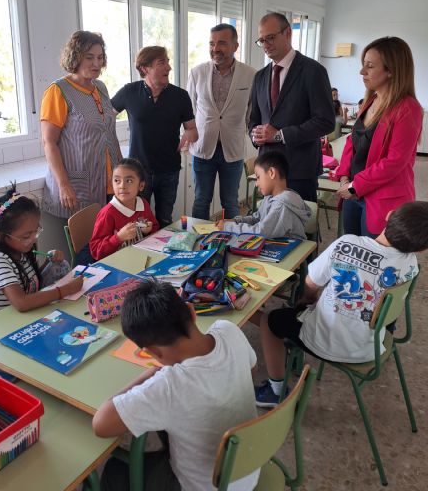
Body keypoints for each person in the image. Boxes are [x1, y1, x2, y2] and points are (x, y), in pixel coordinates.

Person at [254, 200, 428, 407]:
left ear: (389, 215)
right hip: (369, 346)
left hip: (324, 341)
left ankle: (275, 391)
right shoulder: (410, 265)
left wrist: (307, 299)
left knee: (270, 320)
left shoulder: (347, 243)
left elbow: (311, 282)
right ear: (421, 250)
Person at [92, 279, 259, 491]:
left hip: (203, 486)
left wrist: (152, 372)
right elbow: (251, 368)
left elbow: (101, 424)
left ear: (153, 352)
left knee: (115, 470)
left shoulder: (169, 385)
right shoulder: (228, 330)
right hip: (246, 470)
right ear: (191, 311)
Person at [335, 37, 423, 237]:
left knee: (375, 259)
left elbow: (395, 161)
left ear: (391, 70)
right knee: (352, 252)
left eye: (370, 66)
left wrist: (355, 185)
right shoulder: (371, 100)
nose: (362, 72)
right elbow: (353, 140)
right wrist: (344, 176)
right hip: (353, 193)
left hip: (381, 198)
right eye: (363, 65)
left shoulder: (408, 108)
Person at [40, 30, 122, 240]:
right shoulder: (58, 91)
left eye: (100, 57)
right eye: (89, 57)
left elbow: (107, 133)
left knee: (107, 245)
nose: (96, 63)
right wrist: (64, 185)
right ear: (75, 57)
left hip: (108, 181)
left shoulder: (101, 88)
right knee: (85, 250)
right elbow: (49, 143)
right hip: (78, 186)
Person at [249, 13, 335, 202]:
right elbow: (253, 119)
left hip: (300, 169)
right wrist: (255, 135)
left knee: (299, 228)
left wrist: (280, 135)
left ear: (288, 33)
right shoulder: (260, 77)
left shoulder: (313, 71)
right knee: (269, 228)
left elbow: (326, 121)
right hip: (267, 170)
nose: (265, 45)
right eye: (261, 40)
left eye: (270, 38)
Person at [111, 46, 197, 228]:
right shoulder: (129, 92)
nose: (168, 67)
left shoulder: (180, 96)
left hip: (169, 170)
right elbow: (104, 122)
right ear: (145, 68)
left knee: (164, 220)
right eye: (162, 62)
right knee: (139, 223)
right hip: (138, 173)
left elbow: (192, 129)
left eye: (168, 61)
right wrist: (114, 151)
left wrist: (189, 134)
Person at [0, 185, 83, 316]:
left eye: (36, 231)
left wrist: (49, 264)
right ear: (1, 236)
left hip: (25, 319)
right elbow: (22, 302)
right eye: (26, 236)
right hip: (4, 328)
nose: (33, 239)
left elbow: (29, 283)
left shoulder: (19, 251)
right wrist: (64, 290)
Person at [187, 23, 255, 220]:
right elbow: (188, 110)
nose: (215, 49)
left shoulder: (251, 75)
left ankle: (234, 243)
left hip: (232, 149)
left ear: (235, 46)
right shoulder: (197, 72)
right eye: (212, 43)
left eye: (222, 43)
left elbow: (252, 111)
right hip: (202, 149)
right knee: (201, 200)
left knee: (230, 202)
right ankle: (198, 244)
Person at [217, 151, 311, 239]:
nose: (256, 184)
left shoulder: (282, 206)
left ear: (271, 173)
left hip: (292, 254)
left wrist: (228, 227)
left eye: (258, 177)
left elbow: (261, 232)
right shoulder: (270, 197)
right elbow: (256, 218)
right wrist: (236, 221)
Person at [90, 158, 159, 261]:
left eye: (129, 181)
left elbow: (155, 227)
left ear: (141, 186)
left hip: (139, 258)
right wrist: (118, 238)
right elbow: (95, 250)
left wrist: (148, 230)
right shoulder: (108, 213)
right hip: (116, 265)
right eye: (117, 180)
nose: (122, 186)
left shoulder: (143, 203)